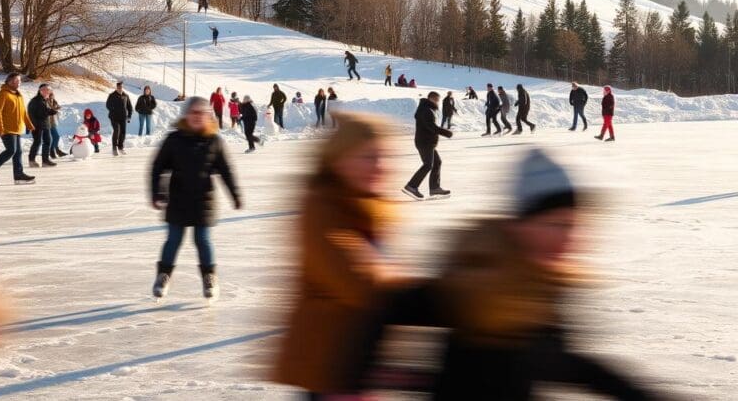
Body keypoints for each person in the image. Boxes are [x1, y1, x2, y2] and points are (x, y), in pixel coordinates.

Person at [433, 149, 664, 399]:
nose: (568, 238)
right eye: (556, 224)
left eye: (573, 225)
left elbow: (568, 365)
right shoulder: (473, 285)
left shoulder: (539, 287)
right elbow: (562, 364)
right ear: (518, 225)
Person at [275, 112, 409, 397]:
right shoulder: (321, 207)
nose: (380, 166)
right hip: (327, 363)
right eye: (368, 157)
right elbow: (357, 280)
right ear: (339, 160)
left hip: (357, 361)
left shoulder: (368, 207)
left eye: (384, 156)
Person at [150, 97, 242, 300]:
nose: (197, 117)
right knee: (173, 240)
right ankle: (163, 276)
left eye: (202, 113)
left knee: (203, 240)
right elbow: (158, 168)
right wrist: (157, 192)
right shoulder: (174, 140)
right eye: (193, 113)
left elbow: (226, 171)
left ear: (209, 117)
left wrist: (235, 195)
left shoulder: (215, 141)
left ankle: (209, 278)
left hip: (204, 201)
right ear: (186, 115)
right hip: (177, 200)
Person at [0, 73, 36, 185]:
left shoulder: (19, 96)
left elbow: (23, 112)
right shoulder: (2, 94)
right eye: (16, 81)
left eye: (20, 81)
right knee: (11, 150)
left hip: (16, 128)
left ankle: (18, 175)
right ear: (9, 82)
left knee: (18, 152)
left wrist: (29, 124)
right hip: (6, 128)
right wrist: (0, 127)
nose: (19, 83)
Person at [403, 91, 453, 200]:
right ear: (431, 99)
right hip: (424, 142)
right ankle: (411, 186)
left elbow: (430, 126)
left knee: (437, 163)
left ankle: (434, 188)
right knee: (428, 165)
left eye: (438, 100)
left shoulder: (427, 109)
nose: (437, 102)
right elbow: (431, 126)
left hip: (427, 142)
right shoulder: (426, 110)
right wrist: (446, 133)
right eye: (436, 100)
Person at [28, 83, 57, 168]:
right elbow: (32, 113)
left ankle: (45, 160)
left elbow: (44, 110)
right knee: (37, 142)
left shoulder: (45, 100)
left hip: (45, 125)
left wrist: (51, 111)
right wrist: (49, 112)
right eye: (44, 89)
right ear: (40, 91)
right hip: (37, 125)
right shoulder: (35, 100)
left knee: (48, 141)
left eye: (48, 89)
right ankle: (31, 160)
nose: (46, 91)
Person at [106, 81, 133, 156]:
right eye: (118, 87)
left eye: (121, 87)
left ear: (122, 87)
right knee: (117, 130)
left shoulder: (126, 96)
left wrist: (129, 116)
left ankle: (120, 147)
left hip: (123, 117)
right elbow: (108, 105)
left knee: (123, 132)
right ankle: (114, 148)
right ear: (116, 87)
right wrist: (114, 109)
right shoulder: (112, 95)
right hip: (114, 117)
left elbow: (130, 107)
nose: (120, 88)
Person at [47, 91, 68, 158]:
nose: (51, 96)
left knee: (55, 137)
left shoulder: (54, 102)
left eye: (52, 95)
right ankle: (52, 151)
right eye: (50, 95)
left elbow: (58, 108)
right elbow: (49, 110)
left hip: (53, 122)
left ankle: (56, 150)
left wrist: (57, 109)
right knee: (55, 137)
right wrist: (55, 109)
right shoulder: (46, 102)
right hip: (47, 123)